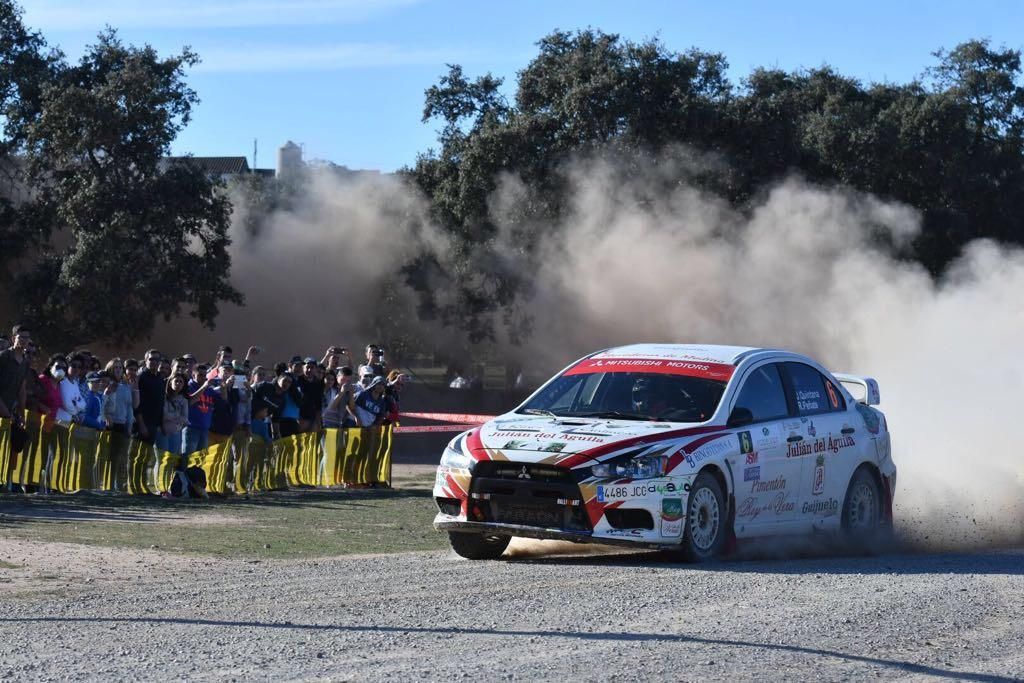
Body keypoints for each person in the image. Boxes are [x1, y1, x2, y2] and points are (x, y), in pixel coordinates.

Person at [183, 363, 224, 454]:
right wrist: (204, 386)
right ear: (193, 375)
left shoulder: (209, 389)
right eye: (200, 375)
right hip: (191, 428)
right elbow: (190, 401)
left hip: (205, 429)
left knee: (200, 460)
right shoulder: (189, 386)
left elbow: (223, 398)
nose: (203, 377)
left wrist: (224, 385)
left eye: (205, 375)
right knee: (187, 458)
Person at [0, 324, 32, 441]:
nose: (24, 340)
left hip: (10, 413)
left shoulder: (26, 362)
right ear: (14, 338)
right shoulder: (3, 357)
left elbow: (22, 390)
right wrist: (5, 411)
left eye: (27, 338)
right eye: (21, 337)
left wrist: (22, 415)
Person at [134, 349, 165, 444]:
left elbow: (160, 402)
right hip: (141, 425)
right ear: (146, 360)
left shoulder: (160, 378)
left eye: (157, 359)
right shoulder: (140, 377)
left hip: (154, 425)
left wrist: (160, 424)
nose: (154, 362)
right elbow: (136, 404)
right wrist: (141, 425)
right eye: (151, 359)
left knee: (147, 457)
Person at [159, 373, 190, 457]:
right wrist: (177, 416)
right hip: (162, 431)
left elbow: (185, 418)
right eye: (176, 381)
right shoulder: (163, 397)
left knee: (172, 459)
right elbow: (164, 415)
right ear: (170, 382)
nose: (178, 383)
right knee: (161, 459)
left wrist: (172, 416)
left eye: (181, 382)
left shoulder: (184, 400)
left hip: (176, 432)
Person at [295, 357, 324, 433]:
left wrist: (318, 423)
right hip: (298, 420)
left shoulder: (319, 383)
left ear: (316, 369)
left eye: (312, 367)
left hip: (312, 420)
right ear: (303, 367)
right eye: (307, 367)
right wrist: (298, 418)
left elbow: (318, 405)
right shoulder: (297, 380)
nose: (309, 370)